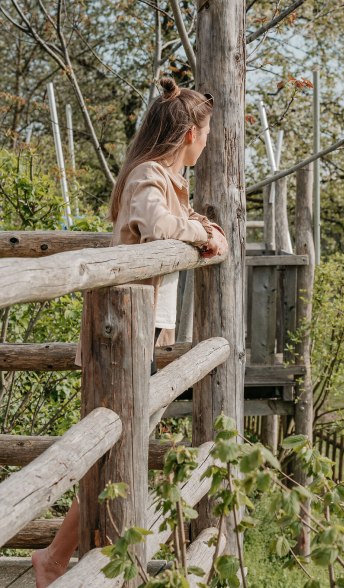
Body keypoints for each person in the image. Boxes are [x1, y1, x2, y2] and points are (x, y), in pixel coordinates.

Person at [31, 77, 227, 587]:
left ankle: (67, 557)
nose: (207, 142)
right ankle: (58, 557)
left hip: (145, 329)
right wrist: (199, 233)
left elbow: (176, 223)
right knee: (116, 446)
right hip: (122, 332)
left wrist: (204, 231)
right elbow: (159, 227)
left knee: (124, 445)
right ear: (189, 134)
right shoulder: (148, 176)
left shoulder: (163, 179)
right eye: (205, 132)